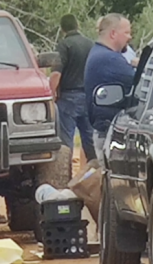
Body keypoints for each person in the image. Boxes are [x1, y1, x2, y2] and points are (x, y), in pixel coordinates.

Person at [84, 13, 136, 161]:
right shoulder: (110, 59)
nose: (129, 37)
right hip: (109, 134)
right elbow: (139, 84)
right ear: (113, 34)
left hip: (102, 130)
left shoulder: (99, 54)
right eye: (126, 32)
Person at [50, 14, 97, 164]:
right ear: (78, 25)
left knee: (66, 140)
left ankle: (66, 175)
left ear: (62, 29)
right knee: (90, 139)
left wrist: (51, 95)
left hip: (68, 98)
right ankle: (95, 175)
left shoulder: (64, 45)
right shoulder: (90, 44)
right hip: (88, 97)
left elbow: (56, 73)